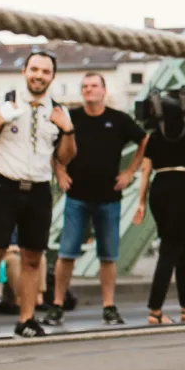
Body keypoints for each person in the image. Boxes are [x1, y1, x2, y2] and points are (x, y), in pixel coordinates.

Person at [0, 50, 76, 341]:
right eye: (34, 70)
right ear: (25, 71)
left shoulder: (57, 110)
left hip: (38, 188)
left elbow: (65, 158)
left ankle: (26, 319)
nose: (39, 76)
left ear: (52, 77)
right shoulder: (2, 100)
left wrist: (69, 130)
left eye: (46, 72)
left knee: (33, 257)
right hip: (3, 185)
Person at [46, 73, 147, 327]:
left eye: (94, 86)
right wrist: (59, 172)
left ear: (104, 91)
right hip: (76, 196)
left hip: (108, 197)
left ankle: (109, 306)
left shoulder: (119, 120)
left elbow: (144, 139)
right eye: (85, 87)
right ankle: (57, 305)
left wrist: (130, 172)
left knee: (108, 256)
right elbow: (50, 144)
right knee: (66, 253)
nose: (89, 90)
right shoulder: (72, 119)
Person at [133, 99, 185, 324]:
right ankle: (155, 310)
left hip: (160, 188)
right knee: (171, 250)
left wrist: (140, 202)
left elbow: (146, 171)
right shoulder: (184, 134)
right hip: (183, 188)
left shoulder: (155, 137)